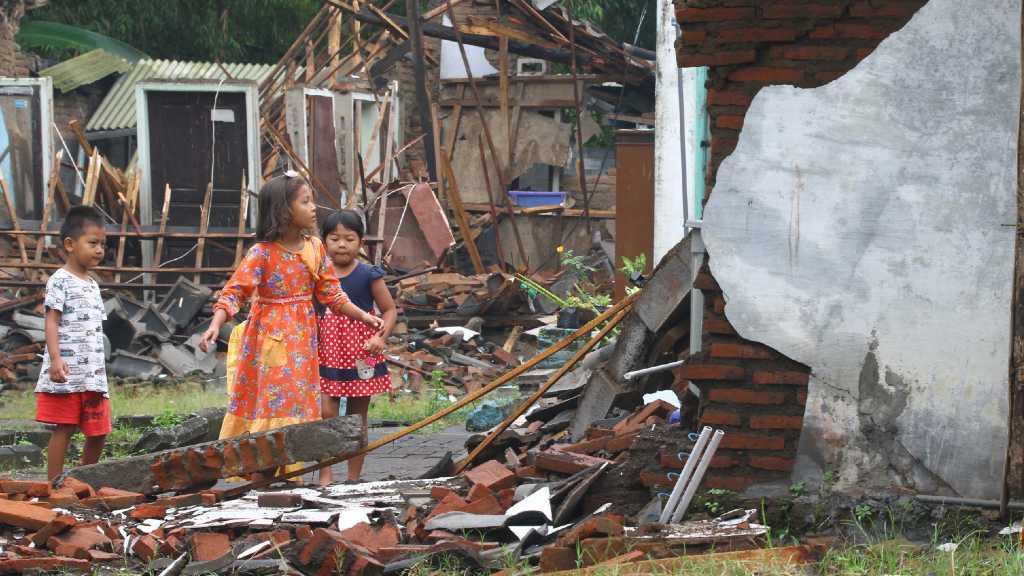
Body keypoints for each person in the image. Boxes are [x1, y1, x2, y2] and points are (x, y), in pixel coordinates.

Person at [199, 173, 382, 480]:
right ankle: (260, 476)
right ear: (284, 210)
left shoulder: (314, 249)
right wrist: (217, 321)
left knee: (296, 405)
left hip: (302, 344)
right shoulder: (262, 253)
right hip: (268, 342)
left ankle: (280, 475)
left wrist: (362, 315)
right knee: (273, 406)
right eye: (306, 201)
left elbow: (332, 293)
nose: (314, 208)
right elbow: (235, 290)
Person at [316, 210, 396, 485]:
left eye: (349, 238)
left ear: (360, 242)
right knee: (326, 413)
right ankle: (325, 475)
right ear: (324, 241)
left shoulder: (368, 275)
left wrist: (380, 339)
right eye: (335, 238)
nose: (341, 244)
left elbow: (388, 310)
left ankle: (352, 479)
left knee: (357, 416)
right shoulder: (319, 275)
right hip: (327, 351)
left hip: (361, 354)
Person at [36, 206, 110, 481]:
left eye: (103, 244)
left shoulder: (92, 284)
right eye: (92, 243)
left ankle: (79, 481)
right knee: (64, 427)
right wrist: (56, 359)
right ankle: (54, 485)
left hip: (92, 376)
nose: (100, 250)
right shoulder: (59, 281)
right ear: (70, 244)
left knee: (99, 431)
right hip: (67, 374)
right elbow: (52, 322)